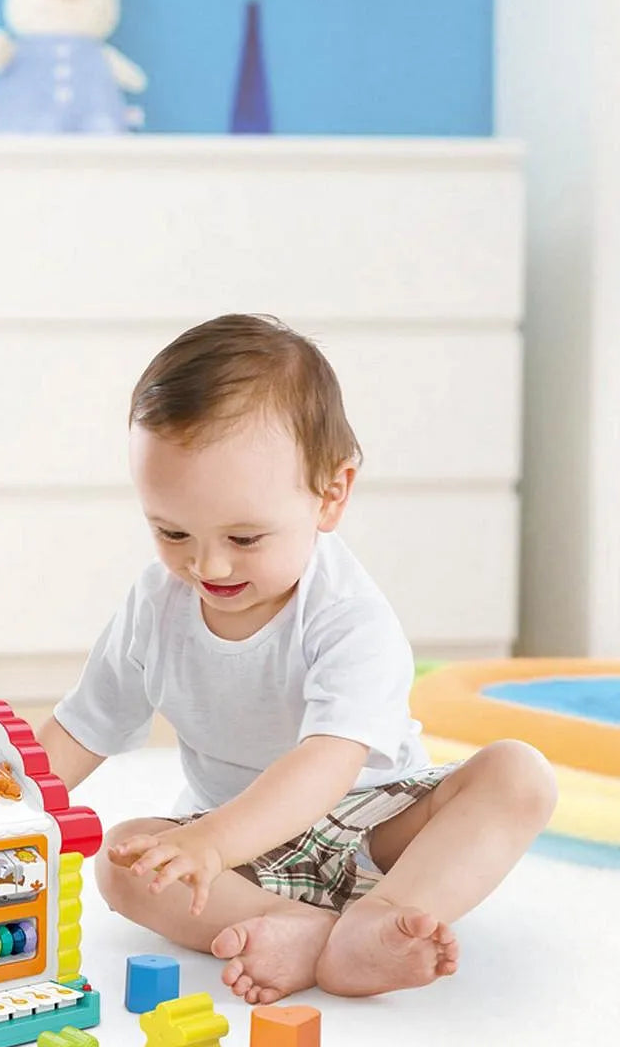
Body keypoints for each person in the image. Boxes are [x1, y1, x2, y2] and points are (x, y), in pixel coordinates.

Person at [35, 314, 557, 1002]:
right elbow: (81, 729)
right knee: (120, 859)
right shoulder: (157, 605)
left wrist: (216, 842)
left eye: (245, 536)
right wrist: (5, 808)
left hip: (374, 828)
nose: (206, 562)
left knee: (518, 774)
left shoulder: (348, 616)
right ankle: (301, 930)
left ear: (330, 494)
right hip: (246, 857)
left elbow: (326, 764)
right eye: (172, 531)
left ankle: (377, 919)